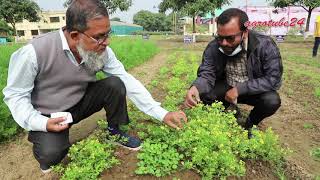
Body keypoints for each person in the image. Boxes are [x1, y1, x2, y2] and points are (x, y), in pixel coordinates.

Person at [3, 0, 187, 173]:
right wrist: (41, 123)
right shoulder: (33, 53)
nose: (107, 42)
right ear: (75, 35)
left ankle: (115, 133)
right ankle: (46, 145)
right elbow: (15, 96)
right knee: (51, 155)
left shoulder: (102, 51)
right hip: (49, 114)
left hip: (79, 103)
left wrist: (161, 113)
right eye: (100, 37)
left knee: (115, 83)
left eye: (108, 34)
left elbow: (126, 79)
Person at [184, 8, 282, 138]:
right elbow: (207, 72)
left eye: (230, 38)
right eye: (220, 37)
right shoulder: (214, 47)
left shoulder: (265, 45)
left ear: (245, 32)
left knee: (271, 101)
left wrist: (240, 89)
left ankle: (251, 122)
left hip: (253, 91)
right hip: (226, 87)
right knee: (204, 94)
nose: (224, 43)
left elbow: (273, 79)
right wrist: (196, 87)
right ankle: (230, 110)